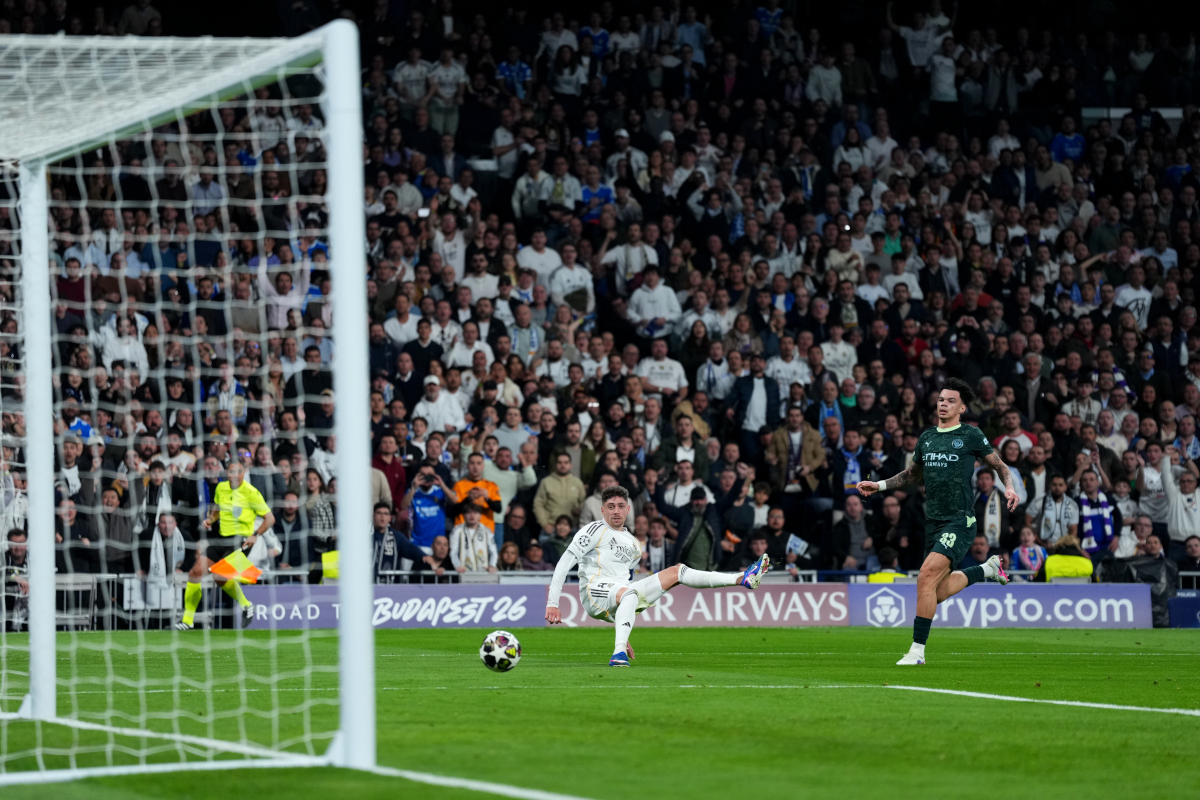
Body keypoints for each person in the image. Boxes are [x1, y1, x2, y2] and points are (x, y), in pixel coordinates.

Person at [858, 377, 1019, 665]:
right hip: (933, 522)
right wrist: (879, 485)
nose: (943, 404)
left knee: (924, 577)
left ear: (962, 407)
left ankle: (917, 651)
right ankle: (986, 570)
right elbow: (912, 475)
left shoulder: (970, 435)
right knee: (936, 591)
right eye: (941, 399)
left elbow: (999, 465)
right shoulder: (927, 437)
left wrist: (1008, 486)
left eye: (950, 401)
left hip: (960, 520)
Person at [544, 484, 770, 666]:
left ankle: (741, 578)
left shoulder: (633, 544)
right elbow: (564, 563)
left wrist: (621, 629)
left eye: (621, 506)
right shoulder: (593, 531)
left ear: (628, 509)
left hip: (621, 594)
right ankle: (618, 653)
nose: (616, 511)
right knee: (629, 593)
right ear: (602, 510)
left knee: (677, 571)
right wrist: (553, 603)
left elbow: (624, 588)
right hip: (594, 590)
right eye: (610, 506)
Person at [176, 462, 275, 630]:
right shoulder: (221, 487)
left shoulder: (251, 493)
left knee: (219, 574)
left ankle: (245, 603)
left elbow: (270, 519)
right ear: (227, 473)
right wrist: (211, 519)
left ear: (244, 473)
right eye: (231, 472)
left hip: (241, 539)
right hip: (221, 537)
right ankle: (187, 620)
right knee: (195, 573)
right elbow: (218, 508)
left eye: (238, 472)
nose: (235, 475)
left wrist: (255, 535)